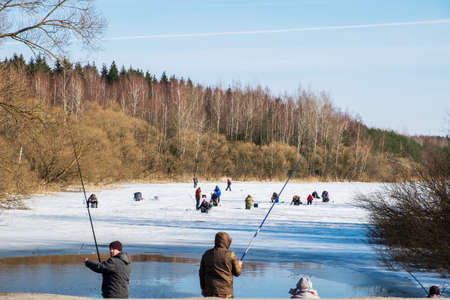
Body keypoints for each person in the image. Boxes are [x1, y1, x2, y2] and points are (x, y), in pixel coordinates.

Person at [199, 232, 242, 298]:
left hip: (209, 291)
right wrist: (239, 265)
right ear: (227, 241)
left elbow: (201, 273)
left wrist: (203, 288)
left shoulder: (207, 254)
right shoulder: (231, 255)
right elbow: (237, 273)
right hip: (226, 293)